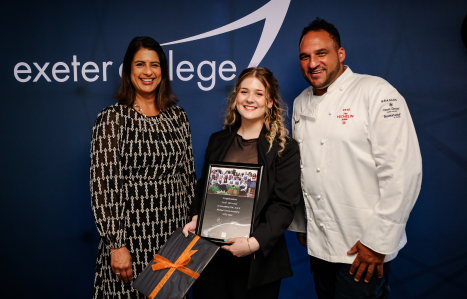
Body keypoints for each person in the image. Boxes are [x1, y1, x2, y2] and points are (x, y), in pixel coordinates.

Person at [288, 18, 422, 299]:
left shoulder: (376, 92)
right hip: (319, 243)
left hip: (363, 249)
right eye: (305, 56)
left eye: (321, 53)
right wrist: (303, 222)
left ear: (340, 53)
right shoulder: (300, 102)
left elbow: (403, 172)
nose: (313, 63)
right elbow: (304, 167)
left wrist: (378, 243)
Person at [90, 36, 196, 299]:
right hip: (132, 239)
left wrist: (194, 236)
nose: (148, 72)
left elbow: (188, 176)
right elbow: (103, 184)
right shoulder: (113, 118)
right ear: (128, 70)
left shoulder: (178, 116)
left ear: (163, 71)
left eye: (155, 64)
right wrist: (116, 244)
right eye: (140, 64)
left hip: (175, 236)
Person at [183, 67, 301, 299]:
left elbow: (284, 204)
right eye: (244, 91)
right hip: (211, 257)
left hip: (258, 262)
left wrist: (254, 243)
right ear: (235, 96)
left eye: (258, 93)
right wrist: (198, 217)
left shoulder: (285, 148)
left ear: (269, 102)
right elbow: (203, 186)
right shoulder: (218, 140)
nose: (249, 99)